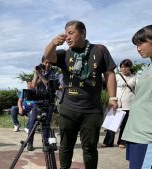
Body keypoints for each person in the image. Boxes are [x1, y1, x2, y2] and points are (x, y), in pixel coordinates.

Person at [44, 20, 118, 169]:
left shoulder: (100, 49)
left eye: (71, 33)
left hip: (92, 109)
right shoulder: (64, 53)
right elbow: (48, 56)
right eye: (66, 34)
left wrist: (112, 98)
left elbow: (110, 74)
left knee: (90, 148)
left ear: (83, 32)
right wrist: (53, 43)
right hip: (68, 108)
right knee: (65, 147)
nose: (68, 37)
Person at [122, 25, 152, 169]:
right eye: (136, 45)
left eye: (141, 43)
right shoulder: (148, 68)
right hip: (136, 133)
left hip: (147, 136)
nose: (138, 48)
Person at [27, 56, 59, 151]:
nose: (47, 64)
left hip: (48, 102)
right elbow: (32, 87)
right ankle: (29, 143)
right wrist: (36, 75)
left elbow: (49, 86)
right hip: (38, 102)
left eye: (49, 62)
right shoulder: (40, 71)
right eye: (45, 62)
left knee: (45, 124)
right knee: (32, 123)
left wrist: (40, 75)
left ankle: (45, 143)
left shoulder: (54, 72)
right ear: (42, 62)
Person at [103, 59, 137, 148]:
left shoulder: (135, 78)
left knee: (125, 126)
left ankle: (122, 142)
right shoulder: (116, 76)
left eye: (126, 67)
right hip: (117, 105)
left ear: (130, 67)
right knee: (112, 124)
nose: (123, 69)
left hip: (129, 105)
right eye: (122, 67)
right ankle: (108, 142)